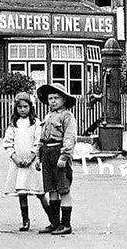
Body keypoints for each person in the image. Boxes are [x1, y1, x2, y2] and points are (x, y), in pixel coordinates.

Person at [3, 91, 52, 232]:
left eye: (25, 106)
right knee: (22, 191)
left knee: (39, 191)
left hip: (32, 162)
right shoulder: (13, 124)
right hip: (18, 163)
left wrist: (32, 156)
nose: (23, 110)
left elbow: (39, 141)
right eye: (20, 107)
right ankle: (25, 220)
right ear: (15, 108)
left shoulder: (36, 123)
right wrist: (15, 157)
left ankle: (52, 218)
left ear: (31, 107)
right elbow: (7, 143)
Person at [37, 82, 78, 235]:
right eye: (50, 98)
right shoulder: (48, 116)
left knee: (63, 189)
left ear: (64, 100)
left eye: (56, 98)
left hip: (59, 153)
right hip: (47, 154)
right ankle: (55, 223)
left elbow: (70, 138)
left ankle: (66, 224)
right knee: (51, 189)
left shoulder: (67, 116)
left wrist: (64, 156)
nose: (53, 101)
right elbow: (42, 138)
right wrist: (38, 157)